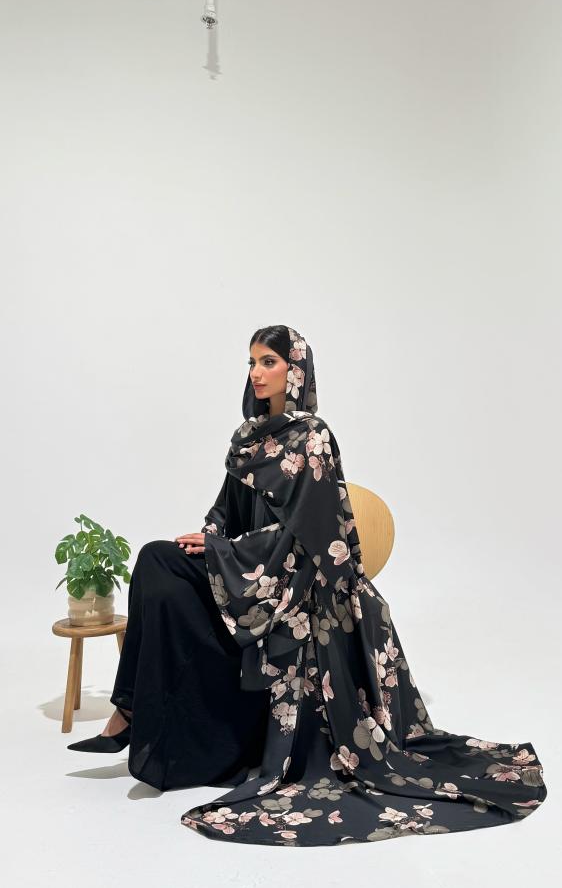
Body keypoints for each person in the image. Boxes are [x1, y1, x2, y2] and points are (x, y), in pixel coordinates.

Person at [68, 324, 547, 847]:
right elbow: (225, 510)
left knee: (164, 564)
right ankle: (130, 709)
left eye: (268, 362)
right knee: (157, 561)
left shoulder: (313, 437)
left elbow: (309, 536)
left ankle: (132, 718)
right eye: (252, 362)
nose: (257, 373)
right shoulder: (248, 437)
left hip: (297, 584)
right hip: (249, 573)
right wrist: (210, 537)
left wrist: (224, 553)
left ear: (295, 369)